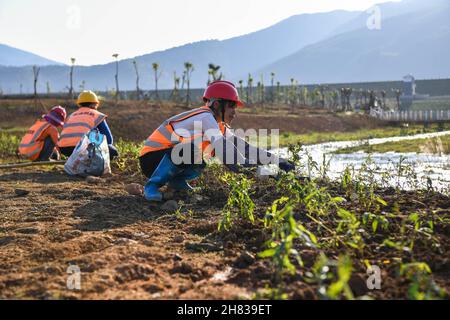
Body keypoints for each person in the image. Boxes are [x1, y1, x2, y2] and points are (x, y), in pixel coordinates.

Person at [139, 80, 295, 202]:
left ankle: (177, 183)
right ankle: (152, 186)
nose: (235, 112)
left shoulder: (219, 126)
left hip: (167, 157)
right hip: (151, 160)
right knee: (191, 151)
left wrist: (277, 160)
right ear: (217, 104)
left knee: (200, 156)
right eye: (231, 106)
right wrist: (270, 175)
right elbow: (232, 160)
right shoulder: (205, 117)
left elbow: (245, 148)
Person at [58, 90, 119, 160]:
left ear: (79, 104)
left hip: (64, 149)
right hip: (83, 149)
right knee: (113, 151)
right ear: (94, 104)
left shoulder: (71, 116)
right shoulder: (97, 115)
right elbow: (109, 140)